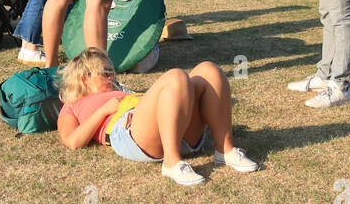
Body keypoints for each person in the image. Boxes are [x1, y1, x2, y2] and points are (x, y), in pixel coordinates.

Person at [57, 48, 258, 186]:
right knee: (176, 76)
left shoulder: (121, 91)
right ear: (84, 77)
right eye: (105, 72)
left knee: (209, 70)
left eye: (112, 72)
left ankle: (226, 150)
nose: (112, 77)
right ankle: (171, 162)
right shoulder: (72, 105)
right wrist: (103, 111)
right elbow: (72, 141)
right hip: (126, 131)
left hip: (167, 124)